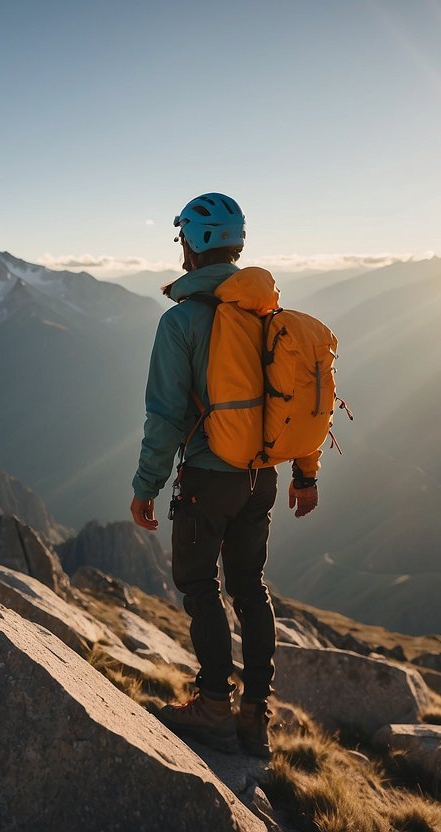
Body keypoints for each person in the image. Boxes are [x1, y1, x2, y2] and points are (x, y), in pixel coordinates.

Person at [130, 192, 320, 758]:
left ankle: (213, 706)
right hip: (262, 477)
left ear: (190, 242)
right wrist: (305, 475)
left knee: (198, 586)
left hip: (209, 477)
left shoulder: (181, 321)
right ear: (237, 244)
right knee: (248, 588)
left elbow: (165, 416)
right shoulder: (267, 314)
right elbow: (300, 401)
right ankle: (254, 716)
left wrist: (146, 488)